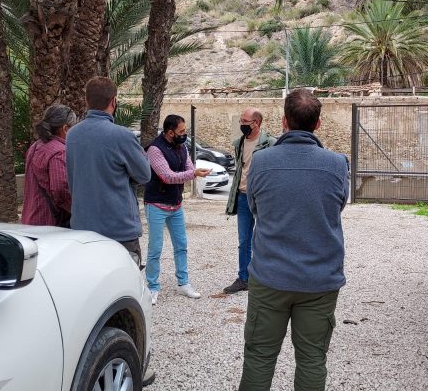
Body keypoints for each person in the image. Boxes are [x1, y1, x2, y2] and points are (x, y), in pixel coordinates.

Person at [238, 89, 349, 391]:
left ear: (284, 121)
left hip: (270, 277)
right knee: (313, 358)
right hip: (319, 279)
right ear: (319, 124)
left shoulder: (261, 161)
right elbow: (337, 207)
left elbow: (255, 208)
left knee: (259, 357)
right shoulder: (338, 164)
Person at [65, 76, 151, 266]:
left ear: (86, 101)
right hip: (119, 229)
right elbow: (144, 175)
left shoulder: (72, 135)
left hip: (83, 228)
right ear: (113, 101)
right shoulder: (123, 136)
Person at [143, 114, 210, 305]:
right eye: (181, 131)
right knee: (155, 248)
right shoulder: (155, 149)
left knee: (181, 245)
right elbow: (167, 176)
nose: (184, 134)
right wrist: (193, 174)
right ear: (170, 132)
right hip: (156, 204)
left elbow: (189, 167)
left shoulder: (182, 147)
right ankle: (152, 286)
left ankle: (183, 283)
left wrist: (194, 172)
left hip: (176, 204)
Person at [223, 107, 276, 294]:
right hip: (243, 196)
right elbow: (240, 169)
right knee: (244, 239)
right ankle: (244, 278)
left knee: (266, 238)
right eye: (241, 121)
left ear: (256, 123)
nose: (241, 124)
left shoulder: (270, 144)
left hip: (263, 198)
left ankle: (266, 277)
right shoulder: (239, 143)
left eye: (245, 121)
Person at [21, 104, 76, 226]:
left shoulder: (35, 146)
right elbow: (61, 190)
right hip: (49, 223)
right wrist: (77, 210)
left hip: (30, 218)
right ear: (65, 128)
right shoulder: (60, 151)